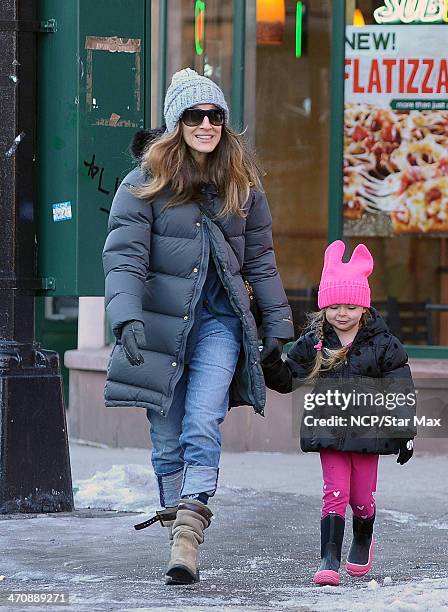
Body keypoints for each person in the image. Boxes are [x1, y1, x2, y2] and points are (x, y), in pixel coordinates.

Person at [102, 68, 293, 585]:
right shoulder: (143, 182)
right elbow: (124, 258)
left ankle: (189, 533)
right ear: (176, 122)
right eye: (194, 115)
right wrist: (126, 317)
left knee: (201, 423)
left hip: (219, 324)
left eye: (214, 115)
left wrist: (277, 327)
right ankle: (175, 534)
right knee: (166, 439)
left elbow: (262, 263)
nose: (206, 124)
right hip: (161, 325)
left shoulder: (242, 185)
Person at [261, 240, 416, 587]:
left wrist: (404, 433)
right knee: (335, 493)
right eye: (333, 306)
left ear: (363, 308)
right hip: (329, 430)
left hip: (368, 432)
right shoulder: (315, 342)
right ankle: (328, 558)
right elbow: (289, 379)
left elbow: (399, 389)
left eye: (349, 306)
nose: (341, 313)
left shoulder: (383, 345)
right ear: (324, 307)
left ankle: (363, 535)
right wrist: (270, 361)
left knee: (361, 497)